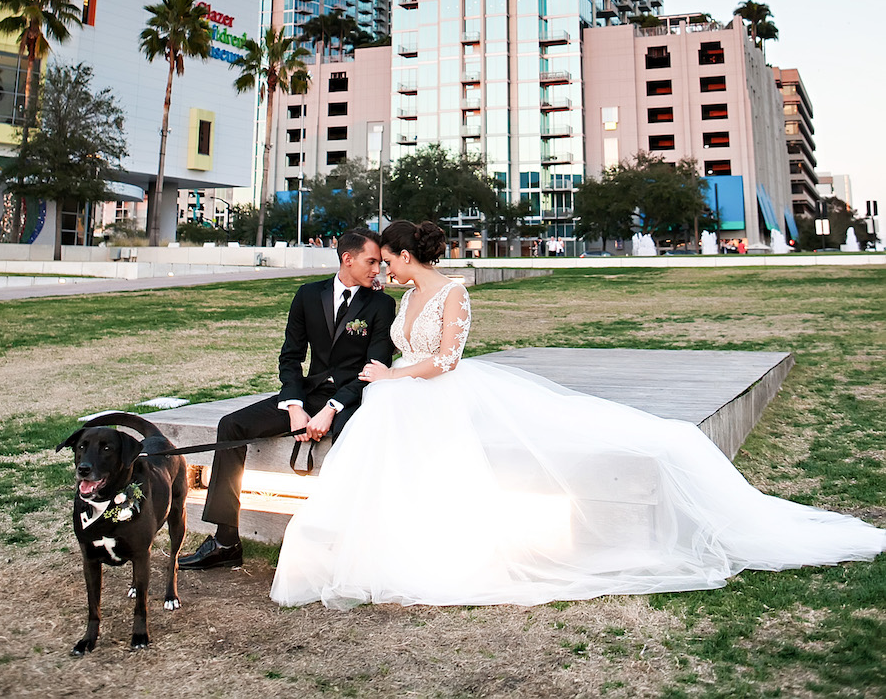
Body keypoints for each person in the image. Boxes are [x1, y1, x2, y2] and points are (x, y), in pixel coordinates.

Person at [270, 219, 885, 610]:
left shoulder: (453, 290)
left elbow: (448, 360)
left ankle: (450, 553)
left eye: (390, 258)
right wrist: (389, 377)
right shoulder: (403, 296)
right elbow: (399, 347)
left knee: (447, 471)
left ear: (406, 254)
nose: (384, 267)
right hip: (400, 398)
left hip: (434, 394)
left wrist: (394, 374)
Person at [180, 228, 396, 571]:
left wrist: (331, 409)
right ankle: (225, 541)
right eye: (372, 262)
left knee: (348, 435)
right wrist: (294, 407)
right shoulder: (308, 295)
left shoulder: (382, 304)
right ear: (348, 259)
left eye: (381, 264)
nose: (378, 270)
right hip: (307, 393)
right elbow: (291, 357)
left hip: (350, 396)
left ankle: (347, 544)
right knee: (231, 425)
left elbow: (374, 366)